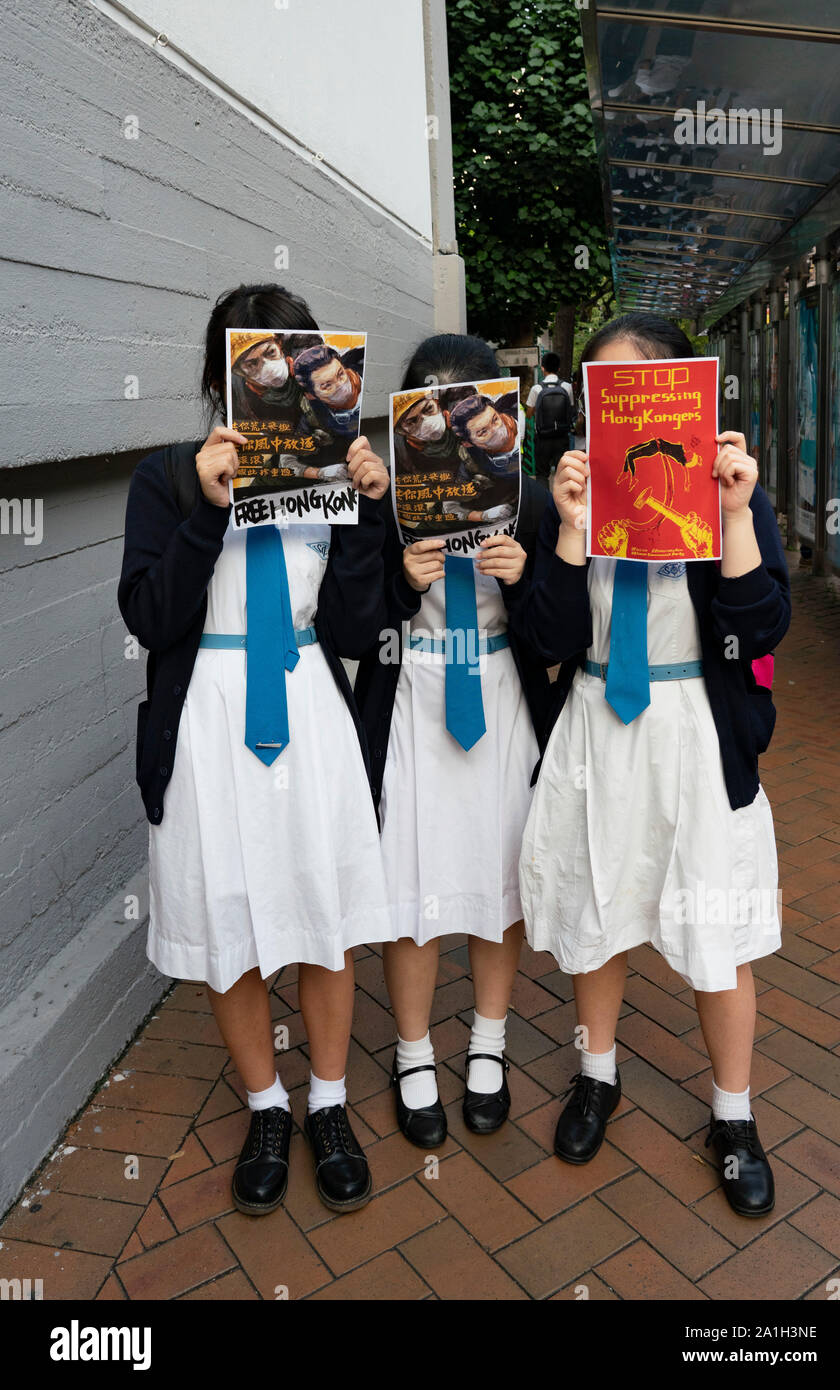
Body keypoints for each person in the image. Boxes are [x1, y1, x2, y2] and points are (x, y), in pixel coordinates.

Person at [118, 283, 397, 1220]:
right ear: (221, 374)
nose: (281, 372)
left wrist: (366, 513)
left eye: (299, 356)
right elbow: (152, 616)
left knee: (320, 912)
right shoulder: (167, 475)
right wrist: (206, 507)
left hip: (310, 709)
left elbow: (358, 629)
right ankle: (265, 1106)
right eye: (259, 358)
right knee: (227, 919)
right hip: (206, 716)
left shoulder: (331, 477)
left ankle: (327, 1102)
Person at [511, 312, 790, 1219]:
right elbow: (546, 639)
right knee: (598, 905)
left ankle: (734, 1115)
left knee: (713, 928)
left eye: (638, 387)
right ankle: (596, 1075)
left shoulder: (725, 491)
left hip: (693, 730)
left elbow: (759, 626)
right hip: (597, 719)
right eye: (603, 394)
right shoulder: (578, 497)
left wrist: (738, 512)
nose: (618, 411)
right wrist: (566, 527)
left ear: (685, 393)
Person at [354, 333, 554, 1146]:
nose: (450, 425)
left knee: (498, 872)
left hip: (501, 690)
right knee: (413, 880)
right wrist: (401, 580)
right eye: (429, 405)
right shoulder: (381, 501)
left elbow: (557, 631)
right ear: (409, 420)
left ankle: (487, 1044)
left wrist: (525, 576)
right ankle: (409, 1053)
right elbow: (355, 621)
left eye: (465, 403)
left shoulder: (532, 501)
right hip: (413, 692)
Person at [526, 352, 574, 483]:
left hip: (542, 438)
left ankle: (545, 502)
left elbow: (529, 413)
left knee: (542, 474)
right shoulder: (567, 387)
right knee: (562, 472)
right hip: (562, 436)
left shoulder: (536, 389)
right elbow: (570, 408)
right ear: (558, 368)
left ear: (542, 368)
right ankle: (563, 502)